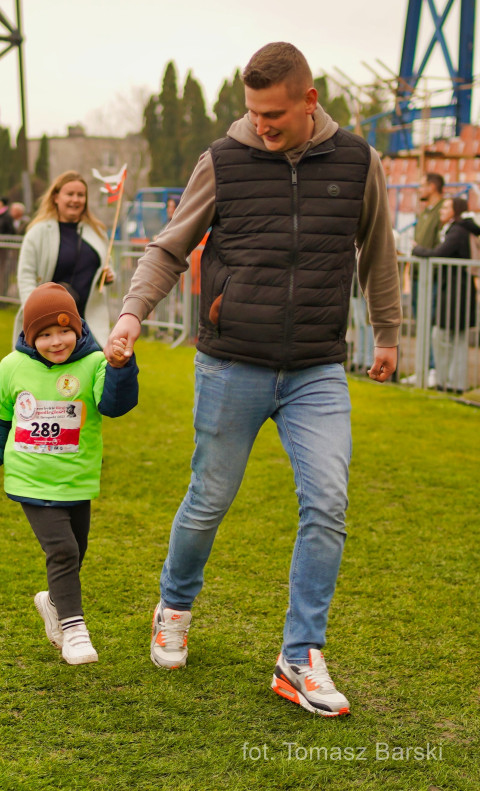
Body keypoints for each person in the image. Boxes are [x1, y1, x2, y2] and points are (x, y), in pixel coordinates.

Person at [105, 42, 402, 717]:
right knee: (208, 501)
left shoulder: (359, 161)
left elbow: (378, 247)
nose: (261, 126)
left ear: (309, 100)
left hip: (317, 368)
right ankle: (174, 606)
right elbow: (170, 245)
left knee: (328, 502)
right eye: (252, 113)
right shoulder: (224, 159)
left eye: (273, 114)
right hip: (231, 361)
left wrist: (387, 332)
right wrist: (130, 315)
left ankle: (299, 657)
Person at [0, 283, 138, 665]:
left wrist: (119, 367)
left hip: (76, 479)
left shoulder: (95, 363)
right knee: (61, 551)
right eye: (44, 335)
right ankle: (75, 630)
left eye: (64, 330)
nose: (56, 341)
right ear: (30, 337)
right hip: (30, 477)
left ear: (78, 328)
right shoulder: (12, 366)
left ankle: (53, 601)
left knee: (75, 551)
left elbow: (114, 406)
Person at [14, 171, 116, 347]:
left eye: (80, 195)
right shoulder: (37, 233)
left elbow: (108, 266)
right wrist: (36, 314)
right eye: (70, 194)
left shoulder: (97, 232)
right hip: (50, 329)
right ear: (55, 197)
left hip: (88, 327)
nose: (75, 200)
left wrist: (108, 277)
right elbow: (26, 276)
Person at [411, 197, 479, 393]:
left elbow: (439, 253)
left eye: (447, 207)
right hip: (458, 290)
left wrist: (417, 249)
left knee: (442, 336)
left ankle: (448, 382)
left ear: (456, 210)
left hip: (454, 292)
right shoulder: (461, 229)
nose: (442, 210)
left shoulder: (457, 231)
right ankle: (453, 382)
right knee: (456, 339)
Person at [409, 173, 445, 386]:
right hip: (417, 276)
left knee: (429, 323)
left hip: (431, 277)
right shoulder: (425, 212)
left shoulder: (442, 211)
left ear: (432, 187)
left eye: (421, 185)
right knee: (420, 323)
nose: (418, 189)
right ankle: (422, 368)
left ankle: (432, 368)